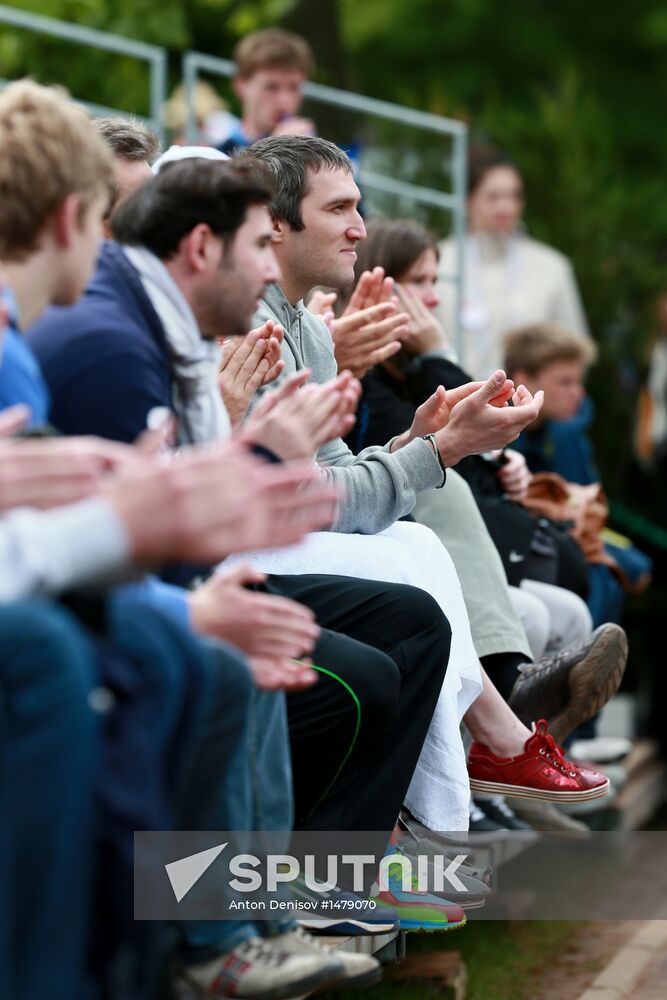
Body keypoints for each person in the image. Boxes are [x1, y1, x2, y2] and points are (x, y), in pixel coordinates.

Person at [0, 81, 371, 1000]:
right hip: (56, 612)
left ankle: (237, 925)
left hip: (72, 588)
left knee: (229, 634)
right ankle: (188, 942)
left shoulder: (101, 326)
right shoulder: (104, 339)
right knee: (195, 649)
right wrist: (231, 477)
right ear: (74, 215)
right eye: (258, 246)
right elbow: (153, 535)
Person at [237, 134, 613, 830]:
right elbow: (300, 497)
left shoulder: (307, 331)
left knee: (422, 551)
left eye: (359, 207)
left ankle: (463, 792)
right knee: (413, 573)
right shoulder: (246, 326)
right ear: (277, 223)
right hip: (236, 546)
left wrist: (421, 443)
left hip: (278, 528)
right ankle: (471, 780)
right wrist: (437, 449)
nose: (358, 227)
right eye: (340, 209)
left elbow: (331, 476)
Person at [505, 321, 652, 618]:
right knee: (597, 575)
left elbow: (587, 515)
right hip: (519, 560)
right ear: (523, 380)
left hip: (555, 549)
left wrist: (625, 556)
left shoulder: (564, 434)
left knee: (627, 567)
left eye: (578, 381)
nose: (578, 393)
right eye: (565, 382)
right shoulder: (491, 435)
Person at [435, 147, 592, 379]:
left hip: (533, 409)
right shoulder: (439, 263)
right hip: (455, 405)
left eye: (514, 196)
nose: (506, 208)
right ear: (468, 201)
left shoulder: (552, 267)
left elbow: (576, 352)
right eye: (493, 197)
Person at [216, 28, 315, 155]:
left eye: (294, 88)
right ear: (240, 85)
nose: (284, 100)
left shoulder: (310, 151)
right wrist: (277, 151)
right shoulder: (219, 156)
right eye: (271, 87)